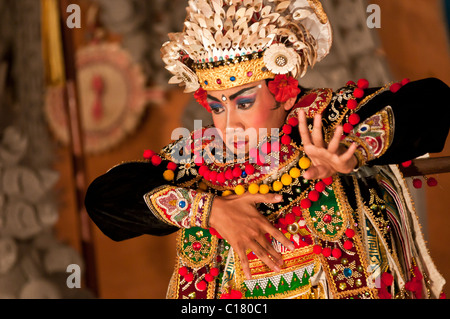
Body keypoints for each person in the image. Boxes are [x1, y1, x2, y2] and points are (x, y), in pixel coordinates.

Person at [85, 0, 449, 299]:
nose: (229, 126)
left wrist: (353, 150)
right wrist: (210, 211)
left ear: (285, 91)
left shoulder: (328, 120)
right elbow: (105, 201)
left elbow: (430, 103)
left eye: (243, 103)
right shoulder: (201, 162)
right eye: (216, 107)